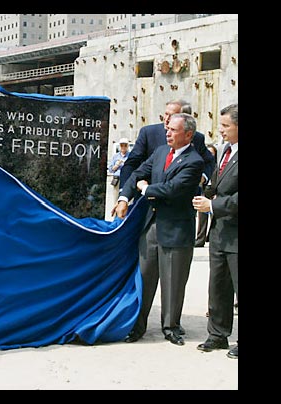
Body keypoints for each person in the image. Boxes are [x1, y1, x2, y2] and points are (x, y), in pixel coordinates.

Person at [111, 113, 204, 346]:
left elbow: (172, 190)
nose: (167, 133)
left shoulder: (194, 161)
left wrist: (146, 189)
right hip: (151, 226)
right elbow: (137, 173)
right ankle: (137, 325)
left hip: (175, 230)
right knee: (144, 277)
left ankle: (171, 327)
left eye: (173, 130)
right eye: (168, 129)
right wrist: (124, 197)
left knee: (173, 281)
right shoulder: (161, 151)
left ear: (188, 134)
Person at [192, 103, 238, 359]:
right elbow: (220, 185)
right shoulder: (225, 152)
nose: (220, 130)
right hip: (220, 232)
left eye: (226, 126)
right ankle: (218, 334)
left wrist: (214, 204)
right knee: (218, 285)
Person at [119, 99, 215, 191]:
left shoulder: (196, 137)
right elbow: (131, 164)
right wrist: (124, 193)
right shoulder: (148, 133)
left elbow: (209, 161)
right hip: (147, 197)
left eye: (172, 115)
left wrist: (202, 177)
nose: (167, 119)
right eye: (166, 114)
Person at [194, 144, 218, 247]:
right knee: (202, 216)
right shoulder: (203, 165)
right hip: (204, 189)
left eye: (212, 153)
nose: (210, 155)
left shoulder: (218, 165)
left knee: (215, 215)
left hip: (214, 190)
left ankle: (211, 237)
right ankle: (200, 239)